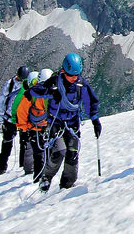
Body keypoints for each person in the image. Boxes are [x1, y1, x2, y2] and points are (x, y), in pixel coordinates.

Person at [29, 54, 100, 192]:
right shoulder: (54, 82)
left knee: (72, 153)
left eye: (76, 75)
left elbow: (90, 102)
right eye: (70, 75)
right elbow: (35, 90)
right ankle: (46, 178)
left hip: (72, 123)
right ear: (64, 71)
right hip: (56, 123)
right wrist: (51, 92)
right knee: (59, 151)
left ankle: (67, 184)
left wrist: (95, 120)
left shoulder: (81, 85)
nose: (74, 78)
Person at [14, 69, 53, 179]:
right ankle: (41, 178)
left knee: (39, 154)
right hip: (43, 127)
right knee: (43, 153)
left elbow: (21, 111)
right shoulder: (51, 92)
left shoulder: (31, 93)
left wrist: (24, 128)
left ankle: (40, 178)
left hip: (35, 128)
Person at [0, 65, 30, 175]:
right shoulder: (9, 84)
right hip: (10, 119)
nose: (20, 81)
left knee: (24, 143)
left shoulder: (27, 84)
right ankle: (2, 168)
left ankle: (23, 166)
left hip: (22, 118)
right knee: (7, 143)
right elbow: (1, 101)